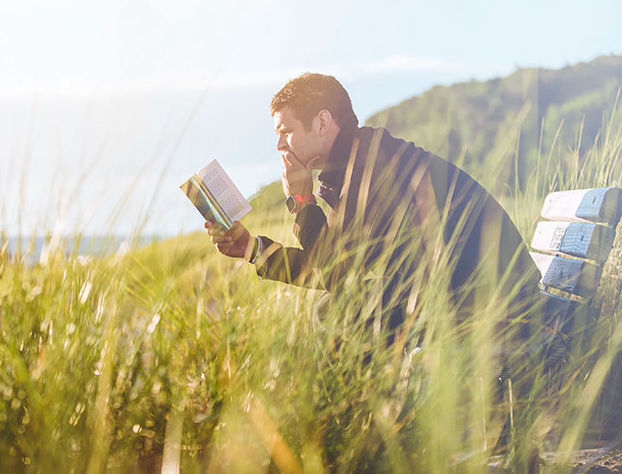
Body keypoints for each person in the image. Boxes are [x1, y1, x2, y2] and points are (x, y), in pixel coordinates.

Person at [205, 72, 543, 350]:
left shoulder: (372, 167)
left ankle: (385, 424)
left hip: (499, 305)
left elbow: (335, 274)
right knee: (343, 308)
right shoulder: (356, 163)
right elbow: (336, 266)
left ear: (323, 121)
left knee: (340, 311)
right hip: (472, 293)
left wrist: (303, 201)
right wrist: (252, 248)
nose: (279, 146)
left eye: (286, 131)